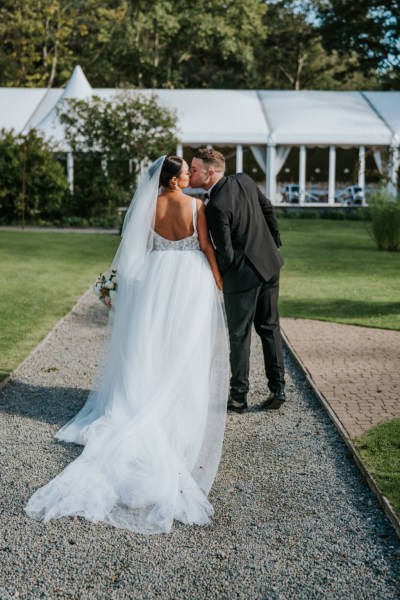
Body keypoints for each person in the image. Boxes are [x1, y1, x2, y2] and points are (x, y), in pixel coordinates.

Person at [25, 156, 229, 534]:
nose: (190, 175)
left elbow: (136, 250)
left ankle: (145, 395)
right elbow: (205, 246)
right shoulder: (196, 205)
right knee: (184, 346)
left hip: (154, 278)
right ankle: (175, 402)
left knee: (148, 343)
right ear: (174, 180)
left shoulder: (147, 206)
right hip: (188, 280)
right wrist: (218, 280)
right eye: (185, 171)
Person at [190, 148, 285, 413]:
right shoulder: (244, 179)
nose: (190, 172)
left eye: (194, 169)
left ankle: (238, 397)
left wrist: (215, 272)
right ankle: (278, 388)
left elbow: (227, 253)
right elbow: (268, 210)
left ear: (210, 173)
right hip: (270, 265)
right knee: (269, 327)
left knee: (240, 334)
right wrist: (273, 244)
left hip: (242, 277)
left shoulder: (215, 206)